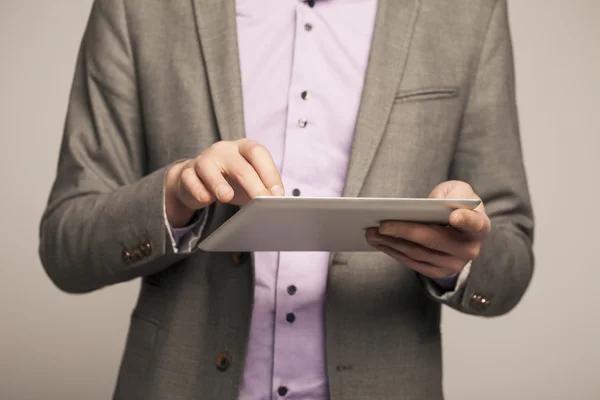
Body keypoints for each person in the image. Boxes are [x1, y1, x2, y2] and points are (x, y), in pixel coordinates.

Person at [38, 0, 535, 398]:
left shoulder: (470, 11)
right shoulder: (136, 8)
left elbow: (510, 256)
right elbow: (65, 246)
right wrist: (172, 197)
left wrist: (460, 262)